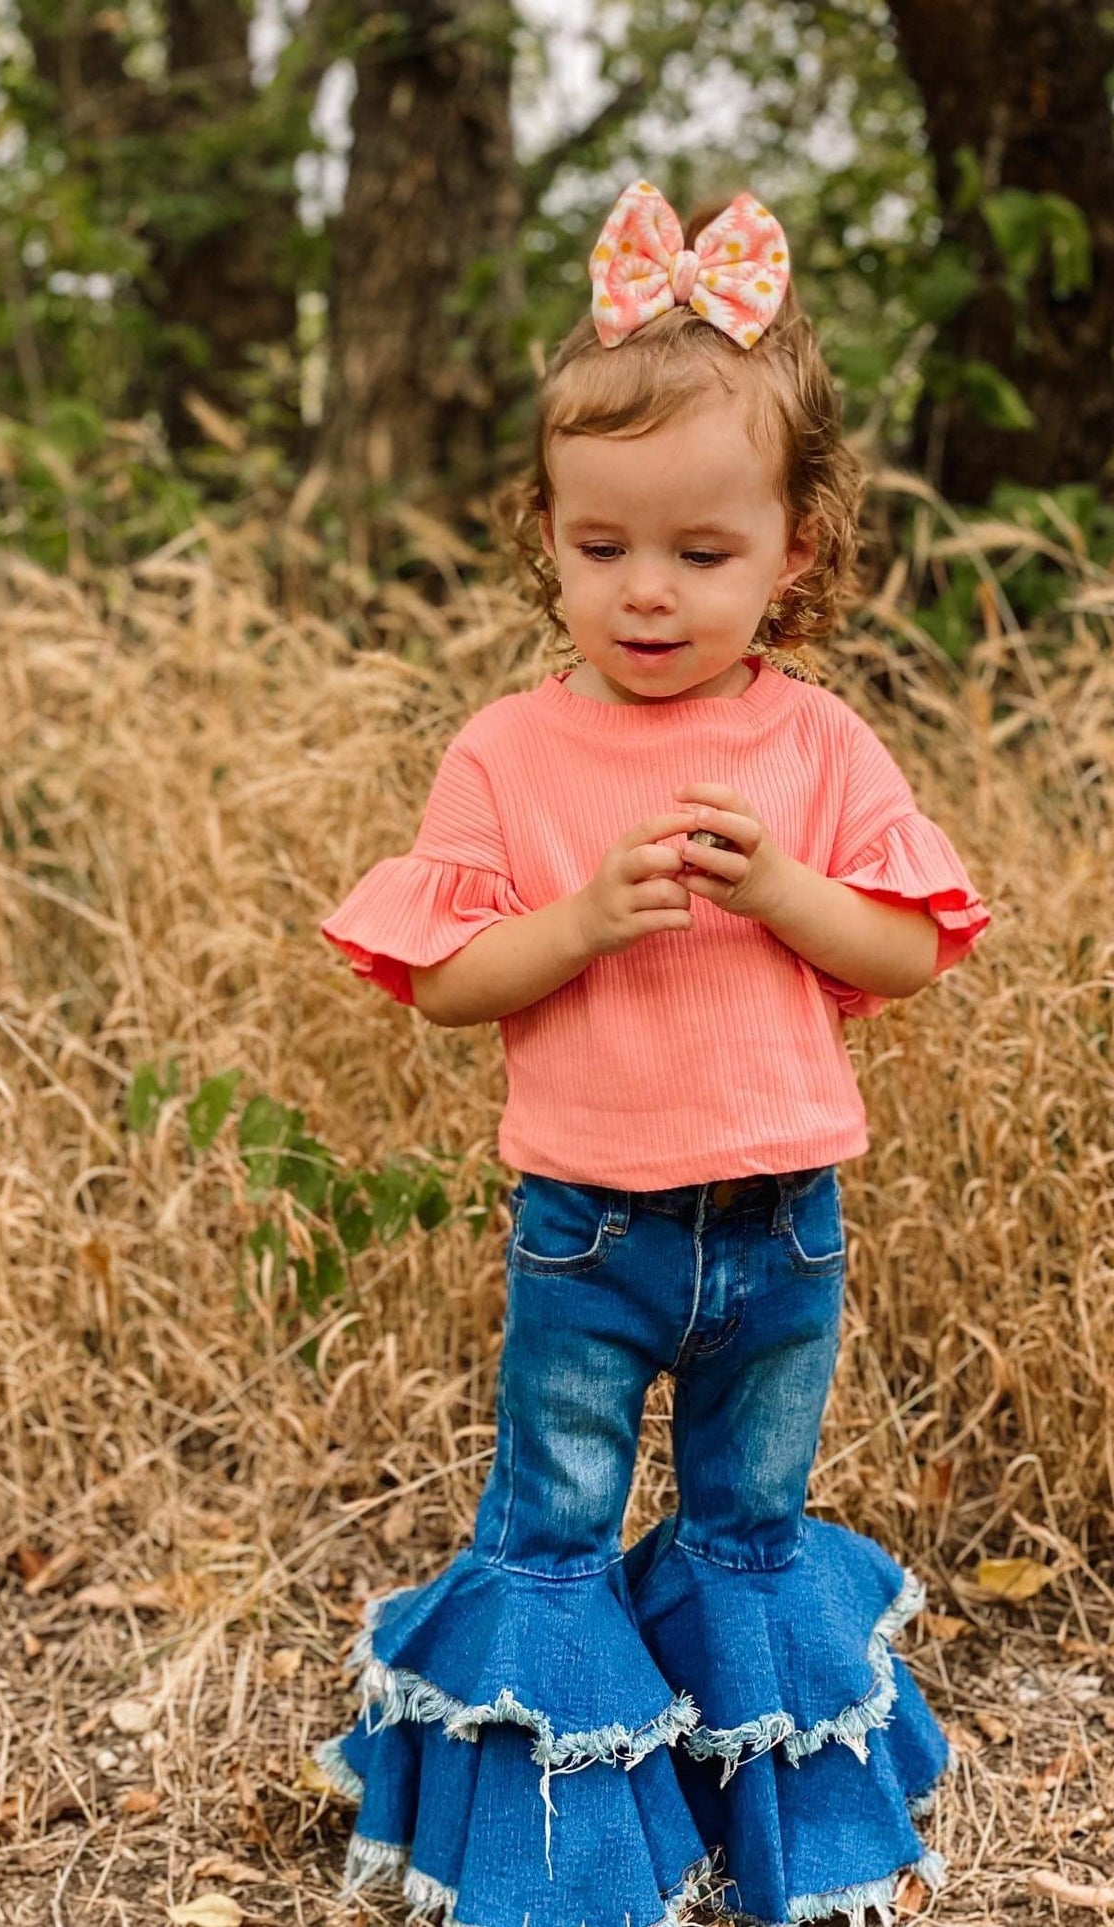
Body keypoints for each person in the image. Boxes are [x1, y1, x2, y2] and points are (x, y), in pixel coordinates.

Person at [311, 178, 991, 1927]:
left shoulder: (815, 745)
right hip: (587, 1231)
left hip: (781, 1228)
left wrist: (781, 893)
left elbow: (907, 949)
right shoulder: (511, 754)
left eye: (702, 554)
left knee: (748, 1534)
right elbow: (446, 981)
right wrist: (573, 928)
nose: (647, 590)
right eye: (601, 545)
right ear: (543, 533)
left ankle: (758, 1827)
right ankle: (559, 1858)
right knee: (549, 1527)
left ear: (796, 553)